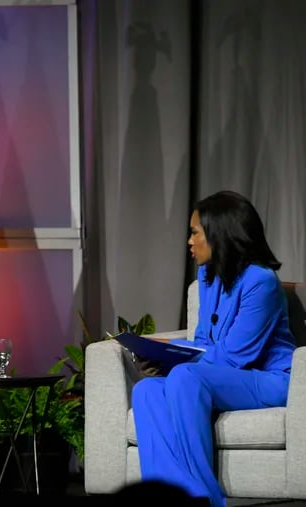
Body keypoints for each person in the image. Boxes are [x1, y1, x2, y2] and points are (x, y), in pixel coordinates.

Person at [131, 190, 295, 507]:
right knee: (147, 391)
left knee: (185, 378)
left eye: (195, 233)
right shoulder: (209, 276)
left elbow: (235, 357)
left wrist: (169, 349)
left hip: (268, 380)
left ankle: (203, 498)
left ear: (220, 234)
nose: (189, 242)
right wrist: (159, 353)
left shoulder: (261, 281)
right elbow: (206, 343)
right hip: (223, 377)